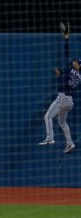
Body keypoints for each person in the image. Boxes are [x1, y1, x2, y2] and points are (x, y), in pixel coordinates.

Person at [39, 22, 81, 153]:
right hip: (70, 102)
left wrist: (66, 38)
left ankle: (49, 138)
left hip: (63, 98)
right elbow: (67, 78)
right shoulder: (78, 74)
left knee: (47, 117)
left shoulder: (71, 68)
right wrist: (61, 73)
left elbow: (66, 53)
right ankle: (70, 144)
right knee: (62, 123)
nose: (74, 62)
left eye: (77, 62)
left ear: (78, 66)